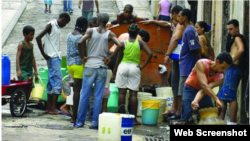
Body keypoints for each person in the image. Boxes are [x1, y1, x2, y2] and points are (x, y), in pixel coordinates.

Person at [74, 13, 121, 129]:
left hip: (90, 65)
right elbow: (120, 44)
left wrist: (82, 57)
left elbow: (80, 42)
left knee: (84, 94)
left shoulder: (91, 31)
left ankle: (80, 122)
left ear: (98, 20)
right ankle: (95, 123)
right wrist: (110, 57)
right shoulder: (109, 33)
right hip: (102, 67)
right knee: (98, 96)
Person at [140, 5, 184, 120]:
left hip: (179, 58)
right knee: (174, 82)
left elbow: (175, 39)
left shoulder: (180, 26)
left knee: (178, 84)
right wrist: (152, 21)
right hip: (177, 58)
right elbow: (165, 24)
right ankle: (175, 108)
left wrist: (167, 54)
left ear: (175, 14)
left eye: (176, 15)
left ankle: (178, 110)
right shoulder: (175, 25)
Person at [106, 24, 153, 125]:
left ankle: (122, 116)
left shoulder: (123, 43)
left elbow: (118, 59)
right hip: (135, 68)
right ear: (137, 33)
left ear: (128, 32)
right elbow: (150, 53)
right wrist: (143, 66)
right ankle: (134, 119)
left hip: (123, 67)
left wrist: (114, 73)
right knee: (133, 94)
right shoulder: (140, 43)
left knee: (122, 93)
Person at [178, 52, 233, 125]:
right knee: (186, 118)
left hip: (205, 93)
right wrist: (216, 99)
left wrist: (195, 101)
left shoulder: (220, 78)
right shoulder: (201, 63)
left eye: (226, 69)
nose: (224, 71)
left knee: (209, 117)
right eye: (223, 67)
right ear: (217, 62)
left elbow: (204, 90)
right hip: (190, 89)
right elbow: (204, 85)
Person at [36, 13, 71, 115]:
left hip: (54, 57)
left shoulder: (56, 27)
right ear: (63, 19)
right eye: (65, 23)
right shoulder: (51, 24)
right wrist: (44, 53)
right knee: (57, 82)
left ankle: (48, 108)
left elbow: (46, 41)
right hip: (53, 57)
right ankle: (53, 108)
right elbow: (38, 37)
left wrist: (45, 51)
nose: (65, 25)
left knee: (51, 83)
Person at [217, 19, 247, 125]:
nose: (229, 31)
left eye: (231, 29)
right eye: (228, 29)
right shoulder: (233, 38)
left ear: (237, 28)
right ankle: (220, 122)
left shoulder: (237, 37)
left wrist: (230, 61)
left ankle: (232, 123)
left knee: (230, 97)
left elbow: (241, 49)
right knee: (224, 97)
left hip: (233, 68)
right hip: (232, 69)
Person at [66, 17, 88, 123]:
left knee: (74, 89)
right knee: (77, 91)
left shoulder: (69, 34)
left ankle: (73, 113)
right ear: (84, 26)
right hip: (78, 65)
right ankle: (74, 117)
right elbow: (84, 54)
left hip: (69, 65)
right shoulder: (81, 37)